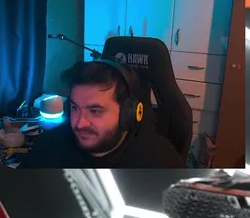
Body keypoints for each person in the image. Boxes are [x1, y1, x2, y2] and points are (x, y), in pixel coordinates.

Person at [17, 60, 184, 169]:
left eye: (95, 111)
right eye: (75, 107)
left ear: (128, 113)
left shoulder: (161, 163)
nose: (79, 123)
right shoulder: (49, 146)